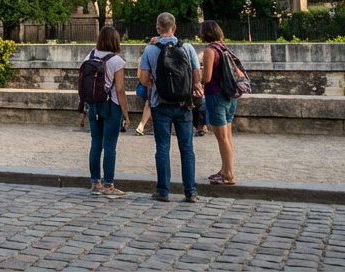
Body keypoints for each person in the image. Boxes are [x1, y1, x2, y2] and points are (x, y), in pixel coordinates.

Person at [138, 12, 204, 203]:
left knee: (162, 148)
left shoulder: (150, 50)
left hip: (160, 104)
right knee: (187, 148)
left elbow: (143, 79)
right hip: (184, 104)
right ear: (174, 27)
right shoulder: (188, 48)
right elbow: (197, 77)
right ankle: (190, 191)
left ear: (158, 29)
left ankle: (163, 191)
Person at [84, 26, 129, 198]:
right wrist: (125, 113)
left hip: (94, 105)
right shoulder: (116, 61)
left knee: (96, 143)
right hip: (111, 106)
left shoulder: (89, 56)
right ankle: (108, 184)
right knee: (110, 145)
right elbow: (120, 89)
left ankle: (95, 182)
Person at [199, 20, 238, 185]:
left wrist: (197, 77)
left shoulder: (210, 50)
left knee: (221, 138)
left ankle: (228, 174)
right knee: (227, 136)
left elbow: (206, 78)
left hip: (215, 95)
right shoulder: (224, 48)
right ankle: (225, 169)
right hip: (229, 95)